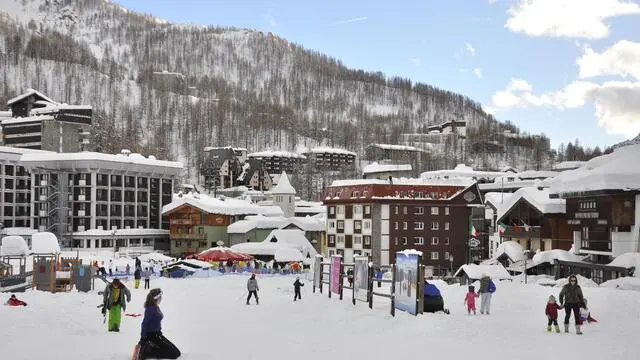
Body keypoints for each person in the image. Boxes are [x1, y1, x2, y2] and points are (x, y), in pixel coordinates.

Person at [136, 289, 181, 360]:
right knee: (174, 354)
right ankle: (148, 351)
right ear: (157, 298)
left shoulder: (155, 306)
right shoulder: (151, 308)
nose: (161, 299)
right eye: (160, 297)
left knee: (177, 352)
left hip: (158, 334)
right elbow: (144, 323)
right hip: (152, 335)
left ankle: (152, 348)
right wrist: (143, 337)